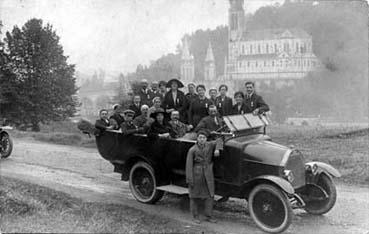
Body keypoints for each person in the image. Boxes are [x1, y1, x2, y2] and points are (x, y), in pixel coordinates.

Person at [186, 129, 223, 224]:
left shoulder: (210, 145)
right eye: (200, 137)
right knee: (194, 196)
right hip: (197, 174)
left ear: (206, 139)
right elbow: (189, 165)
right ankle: (195, 216)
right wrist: (190, 179)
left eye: (203, 138)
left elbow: (219, 139)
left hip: (208, 174)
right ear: (197, 139)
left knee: (210, 196)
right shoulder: (192, 150)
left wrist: (217, 149)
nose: (202, 139)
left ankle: (208, 216)